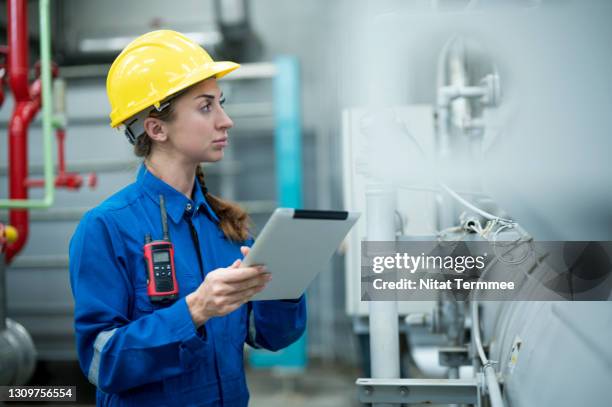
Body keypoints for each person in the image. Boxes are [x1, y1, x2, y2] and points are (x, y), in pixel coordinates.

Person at [68, 30, 306, 406]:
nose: (226, 121)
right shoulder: (107, 228)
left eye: (221, 104)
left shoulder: (225, 225)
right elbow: (102, 364)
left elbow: (268, 337)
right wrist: (196, 309)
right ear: (156, 128)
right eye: (206, 106)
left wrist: (286, 283)